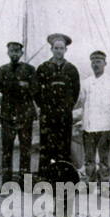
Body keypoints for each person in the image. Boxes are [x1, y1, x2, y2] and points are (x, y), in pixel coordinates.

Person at [75, 50, 110, 182]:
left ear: (104, 63)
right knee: (89, 160)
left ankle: (104, 189)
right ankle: (90, 187)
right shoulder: (86, 83)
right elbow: (82, 104)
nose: (95, 64)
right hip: (88, 127)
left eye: (98, 62)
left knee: (104, 160)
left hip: (106, 127)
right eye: (93, 62)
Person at [33, 33, 80, 168]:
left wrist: (67, 107)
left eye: (61, 48)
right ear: (51, 49)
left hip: (64, 115)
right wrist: (44, 106)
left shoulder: (71, 69)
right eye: (56, 48)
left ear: (65, 50)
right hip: (47, 114)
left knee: (64, 146)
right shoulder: (43, 68)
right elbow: (36, 90)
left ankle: (62, 178)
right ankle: (45, 178)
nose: (59, 51)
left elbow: (75, 92)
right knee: (46, 146)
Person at [0, 41, 37, 185]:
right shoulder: (2, 70)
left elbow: (34, 89)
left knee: (26, 149)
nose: (14, 54)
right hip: (8, 115)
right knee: (7, 150)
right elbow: (0, 86)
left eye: (17, 51)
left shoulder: (30, 70)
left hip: (25, 115)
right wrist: (20, 84)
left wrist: (12, 86)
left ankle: (25, 182)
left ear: (21, 53)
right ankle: (6, 182)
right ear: (8, 53)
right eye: (11, 51)